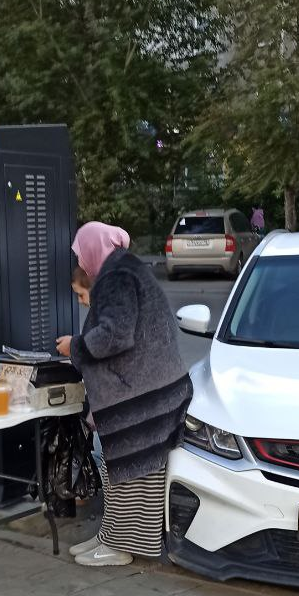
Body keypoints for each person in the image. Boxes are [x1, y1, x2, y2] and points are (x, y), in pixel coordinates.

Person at [56, 221, 192, 567]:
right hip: (151, 390)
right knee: (117, 467)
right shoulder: (123, 268)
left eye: (81, 252)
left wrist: (75, 346)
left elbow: (115, 336)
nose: (81, 261)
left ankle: (120, 546)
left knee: (130, 470)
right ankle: (111, 535)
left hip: (145, 396)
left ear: (93, 248)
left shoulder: (116, 275)